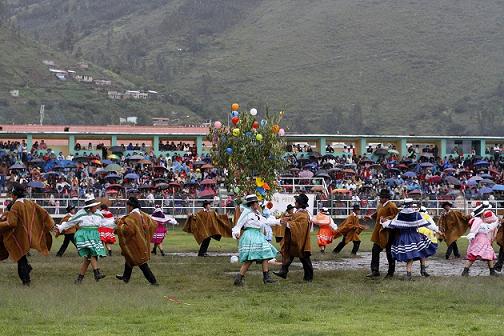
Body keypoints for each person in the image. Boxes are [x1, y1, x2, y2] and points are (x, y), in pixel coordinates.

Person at [0, 184, 54, 286]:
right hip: (28, 235)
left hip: (19, 236)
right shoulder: (30, 203)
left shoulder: (16, 205)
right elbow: (44, 213)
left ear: (14, 195)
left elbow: (11, 223)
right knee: (22, 258)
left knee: (20, 259)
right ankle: (27, 271)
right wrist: (52, 226)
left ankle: (26, 281)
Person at [56, 195, 107, 284]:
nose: (97, 207)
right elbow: (71, 221)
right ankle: (97, 272)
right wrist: (61, 227)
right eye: (95, 206)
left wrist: (115, 223)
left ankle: (79, 279)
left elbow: (104, 222)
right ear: (90, 207)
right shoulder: (81, 213)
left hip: (94, 235)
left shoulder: (98, 213)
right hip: (84, 235)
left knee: (87, 259)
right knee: (92, 253)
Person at [381, 200, 437, 279]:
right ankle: (419, 271)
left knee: (410, 256)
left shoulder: (400, 215)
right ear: (411, 205)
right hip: (415, 236)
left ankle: (410, 274)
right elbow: (428, 224)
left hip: (403, 237)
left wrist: (384, 222)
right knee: (422, 251)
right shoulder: (416, 214)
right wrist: (437, 229)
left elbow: (392, 224)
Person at [232, 195, 280, 286]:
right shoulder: (246, 213)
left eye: (257, 203)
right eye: (255, 203)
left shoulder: (257, 213)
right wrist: (236, 233)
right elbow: (238, 225)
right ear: (251, 204)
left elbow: (265, 221)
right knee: (250, 259)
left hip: (258, 235)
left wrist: (279, 221)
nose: (256, 205)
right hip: (250, 235)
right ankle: (239, 278)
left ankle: (266, 278)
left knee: (265, 254)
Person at [115, 197, 159, 285]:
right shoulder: (143, 214)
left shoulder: (132, 216)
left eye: (127, 206)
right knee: (129, 259)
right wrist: (146, 235)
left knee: (141, 263)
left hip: (136, 242)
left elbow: (128, 230)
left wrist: (119, 223)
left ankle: (153, 282)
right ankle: (125, 277)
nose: (127, 208)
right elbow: (154, 224)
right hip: (141, 241)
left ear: (130, 206)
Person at [274, 194, 314, 282]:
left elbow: (299, 226)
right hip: (296, 239)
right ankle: (283, 271)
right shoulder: (299, 213)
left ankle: (308, 277)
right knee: (290, 255)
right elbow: (294, 220)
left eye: (296, 201)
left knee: (305, 259)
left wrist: (288, 224)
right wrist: (286, 220)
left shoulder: (303, 214)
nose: (295, 202)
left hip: (301, 240)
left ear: (299, 204)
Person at [365, 188, 399, 278]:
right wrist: (370, 216)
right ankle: (375, 270)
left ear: (386, 198)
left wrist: (387, 218)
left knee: (389, 252)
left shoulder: (392, 206)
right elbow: (377, 213)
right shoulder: (380, 205)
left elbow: (396, 216)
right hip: (379, 231)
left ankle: (390, 273)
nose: (380, 198)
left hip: (389, 233)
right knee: (375, 250)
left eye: (381, 197)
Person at [462, 204, 501, 277]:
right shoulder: (478, 221)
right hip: (480, 240)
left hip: (482, 240)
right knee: (474, 256)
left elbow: (489, 227)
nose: (484, 213)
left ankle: (491, 271)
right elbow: (486, 228)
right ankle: (465, 271)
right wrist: (497, 222)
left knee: (489, 255)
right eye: (483, 212)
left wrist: (497, 222)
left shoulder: (479, 221)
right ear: (480, 214)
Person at [417, 206, 440, 277]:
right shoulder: (426, 216)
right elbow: (432, 226)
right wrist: (437, 230)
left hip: (415, 235)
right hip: (425, 235)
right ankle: (423, 270)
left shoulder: (415, 215)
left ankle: (409, 272)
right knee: (423, 253)